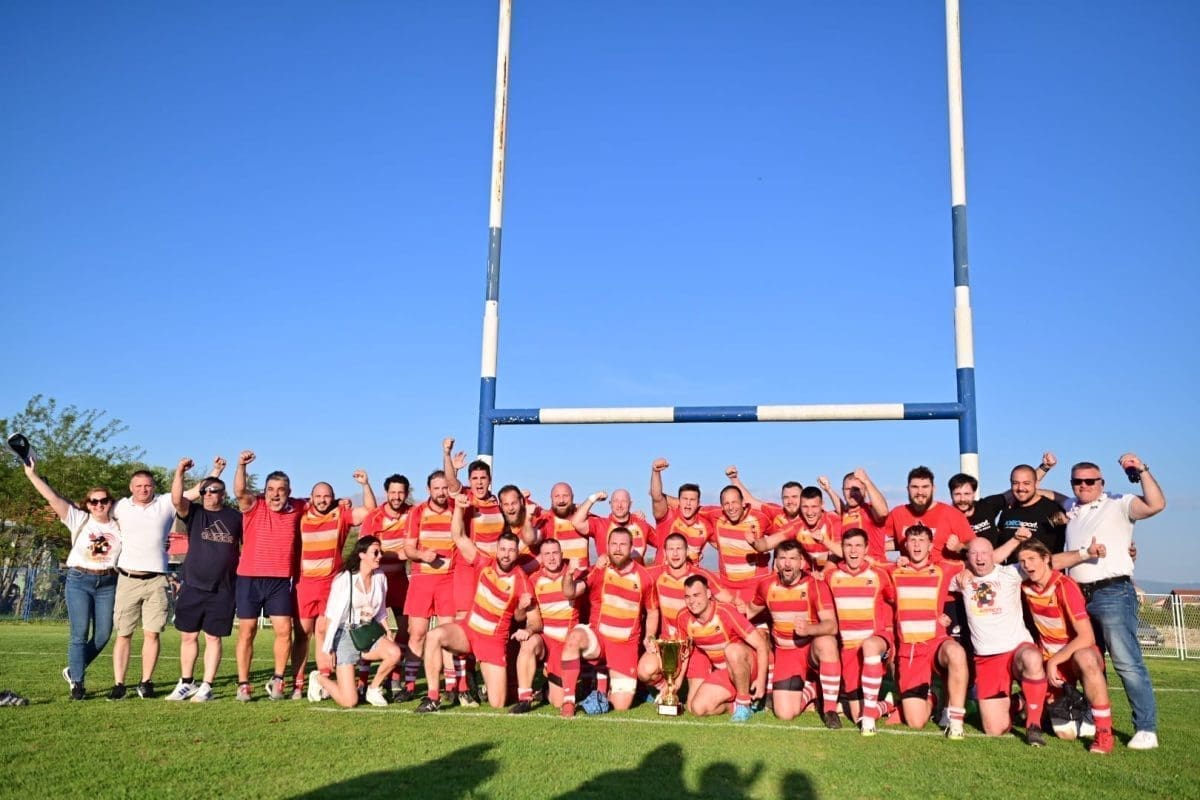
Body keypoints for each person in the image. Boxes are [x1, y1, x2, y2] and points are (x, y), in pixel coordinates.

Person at [1061, 454, 1165, 750]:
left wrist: (1141, 469)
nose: (1084, 485)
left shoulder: (1119, 503)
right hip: (1078, 594)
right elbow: (1036, 492)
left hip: (1113, 592)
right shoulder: (1070, 507)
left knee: (1126, 662)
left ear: (1102, 483)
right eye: (1077, 481)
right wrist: (1042, 469)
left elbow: (1156, 504)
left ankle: (1145, 727)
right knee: (1088, 661)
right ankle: (1096, 719)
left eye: (1090, 481)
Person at [415, 502, 534, 713]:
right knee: (434, 636)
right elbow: (459, 536)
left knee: (497, 703)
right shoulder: (484, 562)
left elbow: (528, 620)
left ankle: (487, 685)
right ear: (497, 549)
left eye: (511, 550)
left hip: (493, 641)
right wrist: (459, 508)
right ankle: (433, 697)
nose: (506, 554)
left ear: (517, 553)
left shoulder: (522, 581)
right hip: (468, 632)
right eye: (503, 549)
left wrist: (523, 609)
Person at [22, 458, 121, 700]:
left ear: (111, 503)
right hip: (79, 580)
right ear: (88, 504)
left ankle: (73, 669)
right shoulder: (79, 519)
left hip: (108, 583)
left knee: (103, 635)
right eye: (94, 501)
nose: (99, 505)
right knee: (79, 634)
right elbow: (52, 498)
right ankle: (78, 683)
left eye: (103, 500)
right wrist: (32, 475)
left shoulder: (120, 525)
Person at [1018, 539, 1116, 754]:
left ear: (1046, 559)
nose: (1026, 565)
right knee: (1065, 734)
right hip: (1049, 657)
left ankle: (1104, 732)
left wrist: (1054, 661)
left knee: (1085, 658)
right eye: (1022, 561)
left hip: (1074, 653)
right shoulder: (1024, 586)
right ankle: (1078, 707)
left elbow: (1087, 636)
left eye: (1031, 559)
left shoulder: (1064, 586)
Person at [952, 536, 1049, 745]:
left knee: (1032, 658)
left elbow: (1049, 562)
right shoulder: (960, 579)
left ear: (993, 555)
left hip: (1017, 649)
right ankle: (1020, 701)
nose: (979, 558)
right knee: (995, 729)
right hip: (987, 658)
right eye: (974, 554)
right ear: (968, 557)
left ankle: (1034, 725)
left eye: (984, 553)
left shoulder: (1010, 572)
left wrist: (1085, 554)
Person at [290, 473, 376, 700]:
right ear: (311, 498)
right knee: (302, 634)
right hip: (304, 583)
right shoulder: (301, 514)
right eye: (318, 496)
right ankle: (297, 683)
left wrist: (365, 484)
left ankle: (323, 678)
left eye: (327, 496)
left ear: (333, 497)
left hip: (330, 585)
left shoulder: (341, 515)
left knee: (324, 632)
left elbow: (370, 511)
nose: (322, 500)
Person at [164, 458, 242, 703]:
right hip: (193, 586)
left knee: (213, 637)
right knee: (188, 636)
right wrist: (179, 471)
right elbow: (176, 499)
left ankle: (207, 685)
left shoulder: (236, 517)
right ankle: (186, 683)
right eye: (204, 491)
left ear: (223, 494)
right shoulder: (195, 513)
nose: (208, 494)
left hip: (223, 589)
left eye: (214, 491)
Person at [559, 527, 658, 717]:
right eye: (614, 544)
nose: (618, 549)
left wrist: (650, 636)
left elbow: (652, 611)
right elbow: (570, 592)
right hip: (600, 639)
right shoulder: (599, 570)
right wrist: (569, 575)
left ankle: (603, 677)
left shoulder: (644, 577)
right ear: (607, 546)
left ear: (631, 547)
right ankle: (568, 702)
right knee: (574, 637)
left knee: (620, 706)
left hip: (624, 646)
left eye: (623, 544)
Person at [233, 450, 307, 702]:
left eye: (281, 490)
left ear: (289, 491)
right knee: (247, 630)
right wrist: (241, 466)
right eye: (271, 489)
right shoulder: (254, 505)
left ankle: (278, 679)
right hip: (249, 579)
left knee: (284, 631)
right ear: (264, 491)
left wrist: (341, 503)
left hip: (279, 581)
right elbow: (240, 491)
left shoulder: (298, 507)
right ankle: (243, 684)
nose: (275, 494)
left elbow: (322, 502)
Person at [745, 540, 841, 727]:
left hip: (810, 649)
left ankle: (830, 710)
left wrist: (809, 629)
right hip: (787, 653)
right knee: (785, 714)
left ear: (802, 562)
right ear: (776, 562)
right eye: (782, 558)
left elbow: (832, 625)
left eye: (793, 558)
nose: (787, 563)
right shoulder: (766, 585)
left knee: (827, 642)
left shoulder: (816, 585)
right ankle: (813, 689)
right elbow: (748, 612)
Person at [888, 523, 970, 738]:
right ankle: (933, 696)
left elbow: (977, 560)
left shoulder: (943, 569)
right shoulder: (893, 571)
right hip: (910, 649)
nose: (917, 545)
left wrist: (968, 573)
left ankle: (956, 723)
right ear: (905, 545)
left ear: (930, 546)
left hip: (936, 641)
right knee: (916, 722)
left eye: (922, 541)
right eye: (912, 541)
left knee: (956, 652)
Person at [107, 468, 183, 699]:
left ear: (154, 487)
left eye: (148, 485)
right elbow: (93, 511)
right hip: (127, 579)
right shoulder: (120, 506)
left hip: (156, 580)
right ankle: (119, 684)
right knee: (123, 634)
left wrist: (215, 471)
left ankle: (146, 682)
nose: (143, 489)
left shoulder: (165, 502)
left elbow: (196, 491)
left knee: (152, 633)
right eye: (138, 486)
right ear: (131, 488)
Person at [308, 536, 401, 708]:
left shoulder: (380, 577)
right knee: (349, 701)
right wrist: (329, 648)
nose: (380, 556)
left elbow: (381, 610)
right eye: (375, 552)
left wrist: (387, 630)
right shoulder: (344, 579)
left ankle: (374, 689)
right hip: (345, 634)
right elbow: (332, 616)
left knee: (394, 653)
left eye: (381, 552)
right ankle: (319, 678)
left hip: (368, 631)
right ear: (362, 555)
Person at [636, 532, 731, 696]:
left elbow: (728, 600)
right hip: (667, 643)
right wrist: (605, 562)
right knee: (645, 671)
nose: (675, 553)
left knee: (696, 704)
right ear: (664, 553)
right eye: (671, 549)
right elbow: (630, 573)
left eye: (679, 549)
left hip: (697, 647)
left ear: (686, 551)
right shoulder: (655, 574)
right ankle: (667, 689)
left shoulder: (700, 576)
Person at [824, 528, 897, 735]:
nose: (853, 550)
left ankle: (869, 721)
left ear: (866, 549)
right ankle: (888, 704)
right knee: (857, 715)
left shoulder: (879, 574)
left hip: (877, 640)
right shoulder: (831, 577)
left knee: (870, 645)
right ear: (842, 549)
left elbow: (896, 600)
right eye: (848, 546)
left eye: (858, 545)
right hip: (849, 650)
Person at [675, 575, 771, 722]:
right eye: (687, 597)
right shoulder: (683, 617)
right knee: (697, 708)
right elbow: (684, 652)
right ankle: (738, 706)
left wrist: (761, 680)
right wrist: (676, 682)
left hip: (747, 665)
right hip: (724, 671)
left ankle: (744, 704)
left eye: (696, 595)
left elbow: (761, 645)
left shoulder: (726, 612)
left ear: (708, 594)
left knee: (732, 650)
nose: (692, 601)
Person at [403, 471, 458, 703]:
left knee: (447, 634)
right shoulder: (417, 512)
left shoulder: (455, 509)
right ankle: (409, 685)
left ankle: (452, 686)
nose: (442, 492)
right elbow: (408, 549)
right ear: (429, 490)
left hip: (449, 579)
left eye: (445, 488)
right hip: (422, 580)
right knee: (417, 633)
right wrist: (422, 555)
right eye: (437, 488)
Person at [358, 473, 415, 698]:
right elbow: (366, 549)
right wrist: (400, 553)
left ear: (406, 493)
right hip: (376, 581)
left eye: (401, 492)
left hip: (400, 581)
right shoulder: (374, 517)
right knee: (368, 631)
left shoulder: (413, 514)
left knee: (405, 630)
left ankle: (395, 678)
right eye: (393, 492)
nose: (396, 496)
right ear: (386, 493)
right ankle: (362, 682)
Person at [512, 538, 580, 713]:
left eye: (555, 553)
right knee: (528, 643)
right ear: (541, 558)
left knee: (557, 702)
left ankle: (545, 690)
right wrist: (521, 607)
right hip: (545, 640)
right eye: (547, 554)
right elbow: (520, 617)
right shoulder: (533, 580)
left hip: (566, 644)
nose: (551, 558)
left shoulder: (573, 575)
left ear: (562, 555)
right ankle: (524, 699)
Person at [885, 466, 974, 562]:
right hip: (909, 570)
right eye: (915, 487)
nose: (920, 492)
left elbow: (975, 546)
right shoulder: (897, 513)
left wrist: (959, 547)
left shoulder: (952, 514)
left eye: (925, 487)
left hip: (944, 570)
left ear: (933, 488)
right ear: (908, 489)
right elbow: (885, 538)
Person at [995, 464, 1067, 562]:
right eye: (1015, 483)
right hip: (1013, 571)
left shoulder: (1053, 509)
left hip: (1048, 570)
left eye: (1026, 483)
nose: (1020, 488)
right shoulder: (1008, 511)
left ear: (1036, 484)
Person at [649, 459, 715, 563]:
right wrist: (656, 472)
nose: (688, 503)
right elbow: (657, 497)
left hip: (690, 573)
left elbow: (724, 546)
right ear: (679, 501)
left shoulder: (706, 526)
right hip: (664, 572)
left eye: (692, 500)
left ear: (698, 503)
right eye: (685, 499)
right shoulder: (668, 516)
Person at [571, 489, 653, 564]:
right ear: (610, 504)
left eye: (624, 501)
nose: (619, 505)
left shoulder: (642, 525)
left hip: (636, 575)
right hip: (608, 575)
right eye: (615, 501)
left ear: (630, 504)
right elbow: (576, 522)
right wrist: (593, 498)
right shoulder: (600, 525)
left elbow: (660, 542)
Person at [836, 469, 890, 562]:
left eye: (856, 489)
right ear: (843, 491)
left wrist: (866, 481)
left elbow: (883, 512)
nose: (852, 493)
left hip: (874, 567)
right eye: (848, 489)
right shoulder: (844, 515)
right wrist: (828, 490)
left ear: (865, 490)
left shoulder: (870, 510)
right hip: (851, 568)